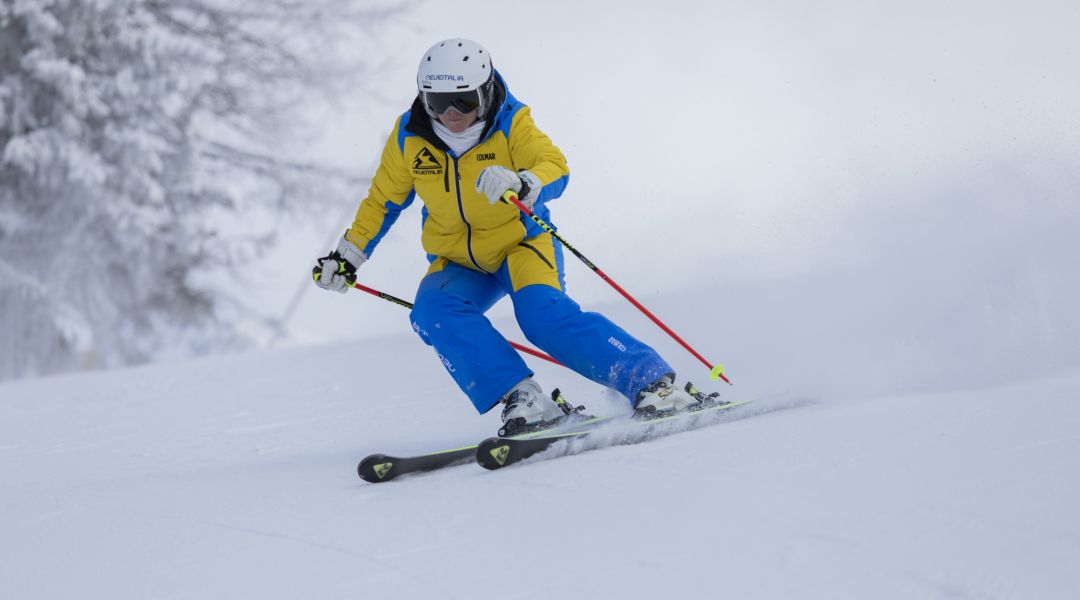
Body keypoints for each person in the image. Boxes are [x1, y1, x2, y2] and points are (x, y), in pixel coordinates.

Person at [313, 38, 700, 434]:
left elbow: (555, 166)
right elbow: (382, 201)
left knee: (542, 317)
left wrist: (524, 180)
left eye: (463, 101)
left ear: (485, 91)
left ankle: (654, 385)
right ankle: (526, 399)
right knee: (433, 313)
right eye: (438, 101)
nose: (451, 114)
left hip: (522, 245)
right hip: (458, 261)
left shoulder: (512, 121)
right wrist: (347, 257)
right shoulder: (408, 137)